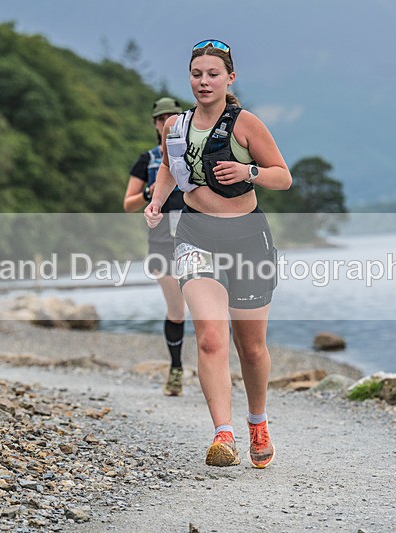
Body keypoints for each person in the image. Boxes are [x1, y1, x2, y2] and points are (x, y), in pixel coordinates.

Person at [145, 40, 292, 468]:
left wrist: (249, 171)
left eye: (212, 74)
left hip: (248, 239)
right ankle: (222, 435)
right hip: (194, 235)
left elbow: (282, 177)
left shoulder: (246, 124)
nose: (203, 82)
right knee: (211, 338)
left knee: (252, 349)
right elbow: (171, 170)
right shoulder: (177, 125)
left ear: (229, 78)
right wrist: (156, 203)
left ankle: (257, 423)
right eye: (196, 74)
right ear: (189, 77)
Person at [123, 96, 188, 396]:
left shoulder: (191, 153)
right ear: (155, 124)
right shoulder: (147, 160)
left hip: (195, 236)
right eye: (161, 119)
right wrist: (151, 194)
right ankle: (176, 368)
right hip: (161, 241)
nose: (166, 123)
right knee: (177, 309)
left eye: (172, 117)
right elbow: (127, 204)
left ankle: (215, 367)